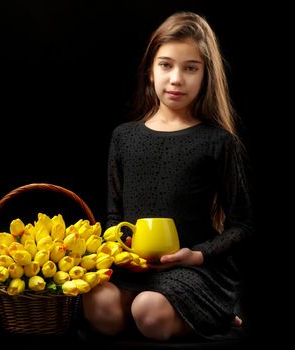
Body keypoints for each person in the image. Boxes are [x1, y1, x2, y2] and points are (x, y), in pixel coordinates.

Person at [82, 11, 254, 341]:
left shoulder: (218, 142)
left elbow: (242, 225)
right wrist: (121, 249)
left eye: (190, 68)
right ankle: (171, 316)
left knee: (147, 310)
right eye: (166, 65)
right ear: (150, 71)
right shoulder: (124, 137)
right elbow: (114, 215)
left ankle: (210, 312)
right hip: (133, 269)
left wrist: (199, 254)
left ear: (206, 76)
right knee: (96, 304)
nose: (176, 78)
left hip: (193, 269)